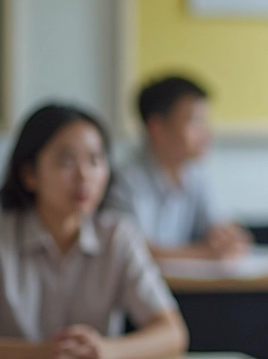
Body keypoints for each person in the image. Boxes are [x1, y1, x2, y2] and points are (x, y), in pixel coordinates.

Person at [0, 103, 188, 359]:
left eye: (95, 160)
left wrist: (105, 351)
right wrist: (36, 355)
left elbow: (172, 333)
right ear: (29, 174)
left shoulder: (118, 236)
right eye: (66, 161)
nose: (84, 176)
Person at [106, 76, 250, 260]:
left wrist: (228, 236)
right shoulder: (125, 178)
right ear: (157, 128)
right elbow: (137, 251)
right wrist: (205, 254)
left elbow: (218, 223)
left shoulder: (195, 173)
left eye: (205, 121)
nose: (206, 132)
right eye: (194, 121)